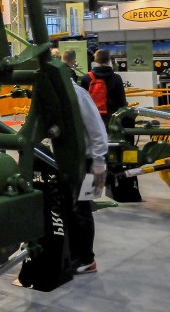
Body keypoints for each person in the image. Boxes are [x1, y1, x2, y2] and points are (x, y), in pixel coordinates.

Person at [68, 81, 109, 274]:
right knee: (72, 209)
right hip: (70, 161)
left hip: (89, 162)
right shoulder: (59, 93)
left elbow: (97, 129)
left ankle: (87, 260)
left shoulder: (78, 94)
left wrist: (99, 161)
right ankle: (75, 253)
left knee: (82, 208)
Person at [80, 49, 127, 123]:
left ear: (96, 60)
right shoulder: (116, 78)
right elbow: (122, 102)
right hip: (112, 119)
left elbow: (82, 100)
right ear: (109, 60)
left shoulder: (87, 78)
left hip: (93, 118)